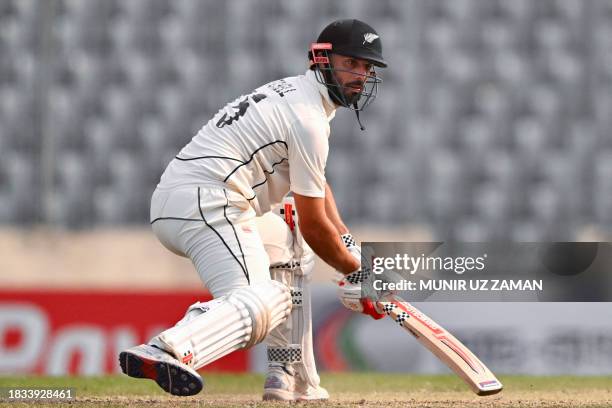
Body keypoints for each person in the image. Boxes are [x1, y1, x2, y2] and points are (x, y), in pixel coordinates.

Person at [118, 18, 388, 400]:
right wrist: (353, 270)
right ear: (322, 60)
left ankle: (289, 375)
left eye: (367, 67)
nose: (360, 75)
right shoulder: (308, 119)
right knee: (267, 300)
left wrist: (351, 249)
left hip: (198, 199)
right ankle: (167, 348)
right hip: (209, 203)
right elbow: (316, 226)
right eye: (352, 63)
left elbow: (315, 191)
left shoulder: (298, 97)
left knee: (290, 243)